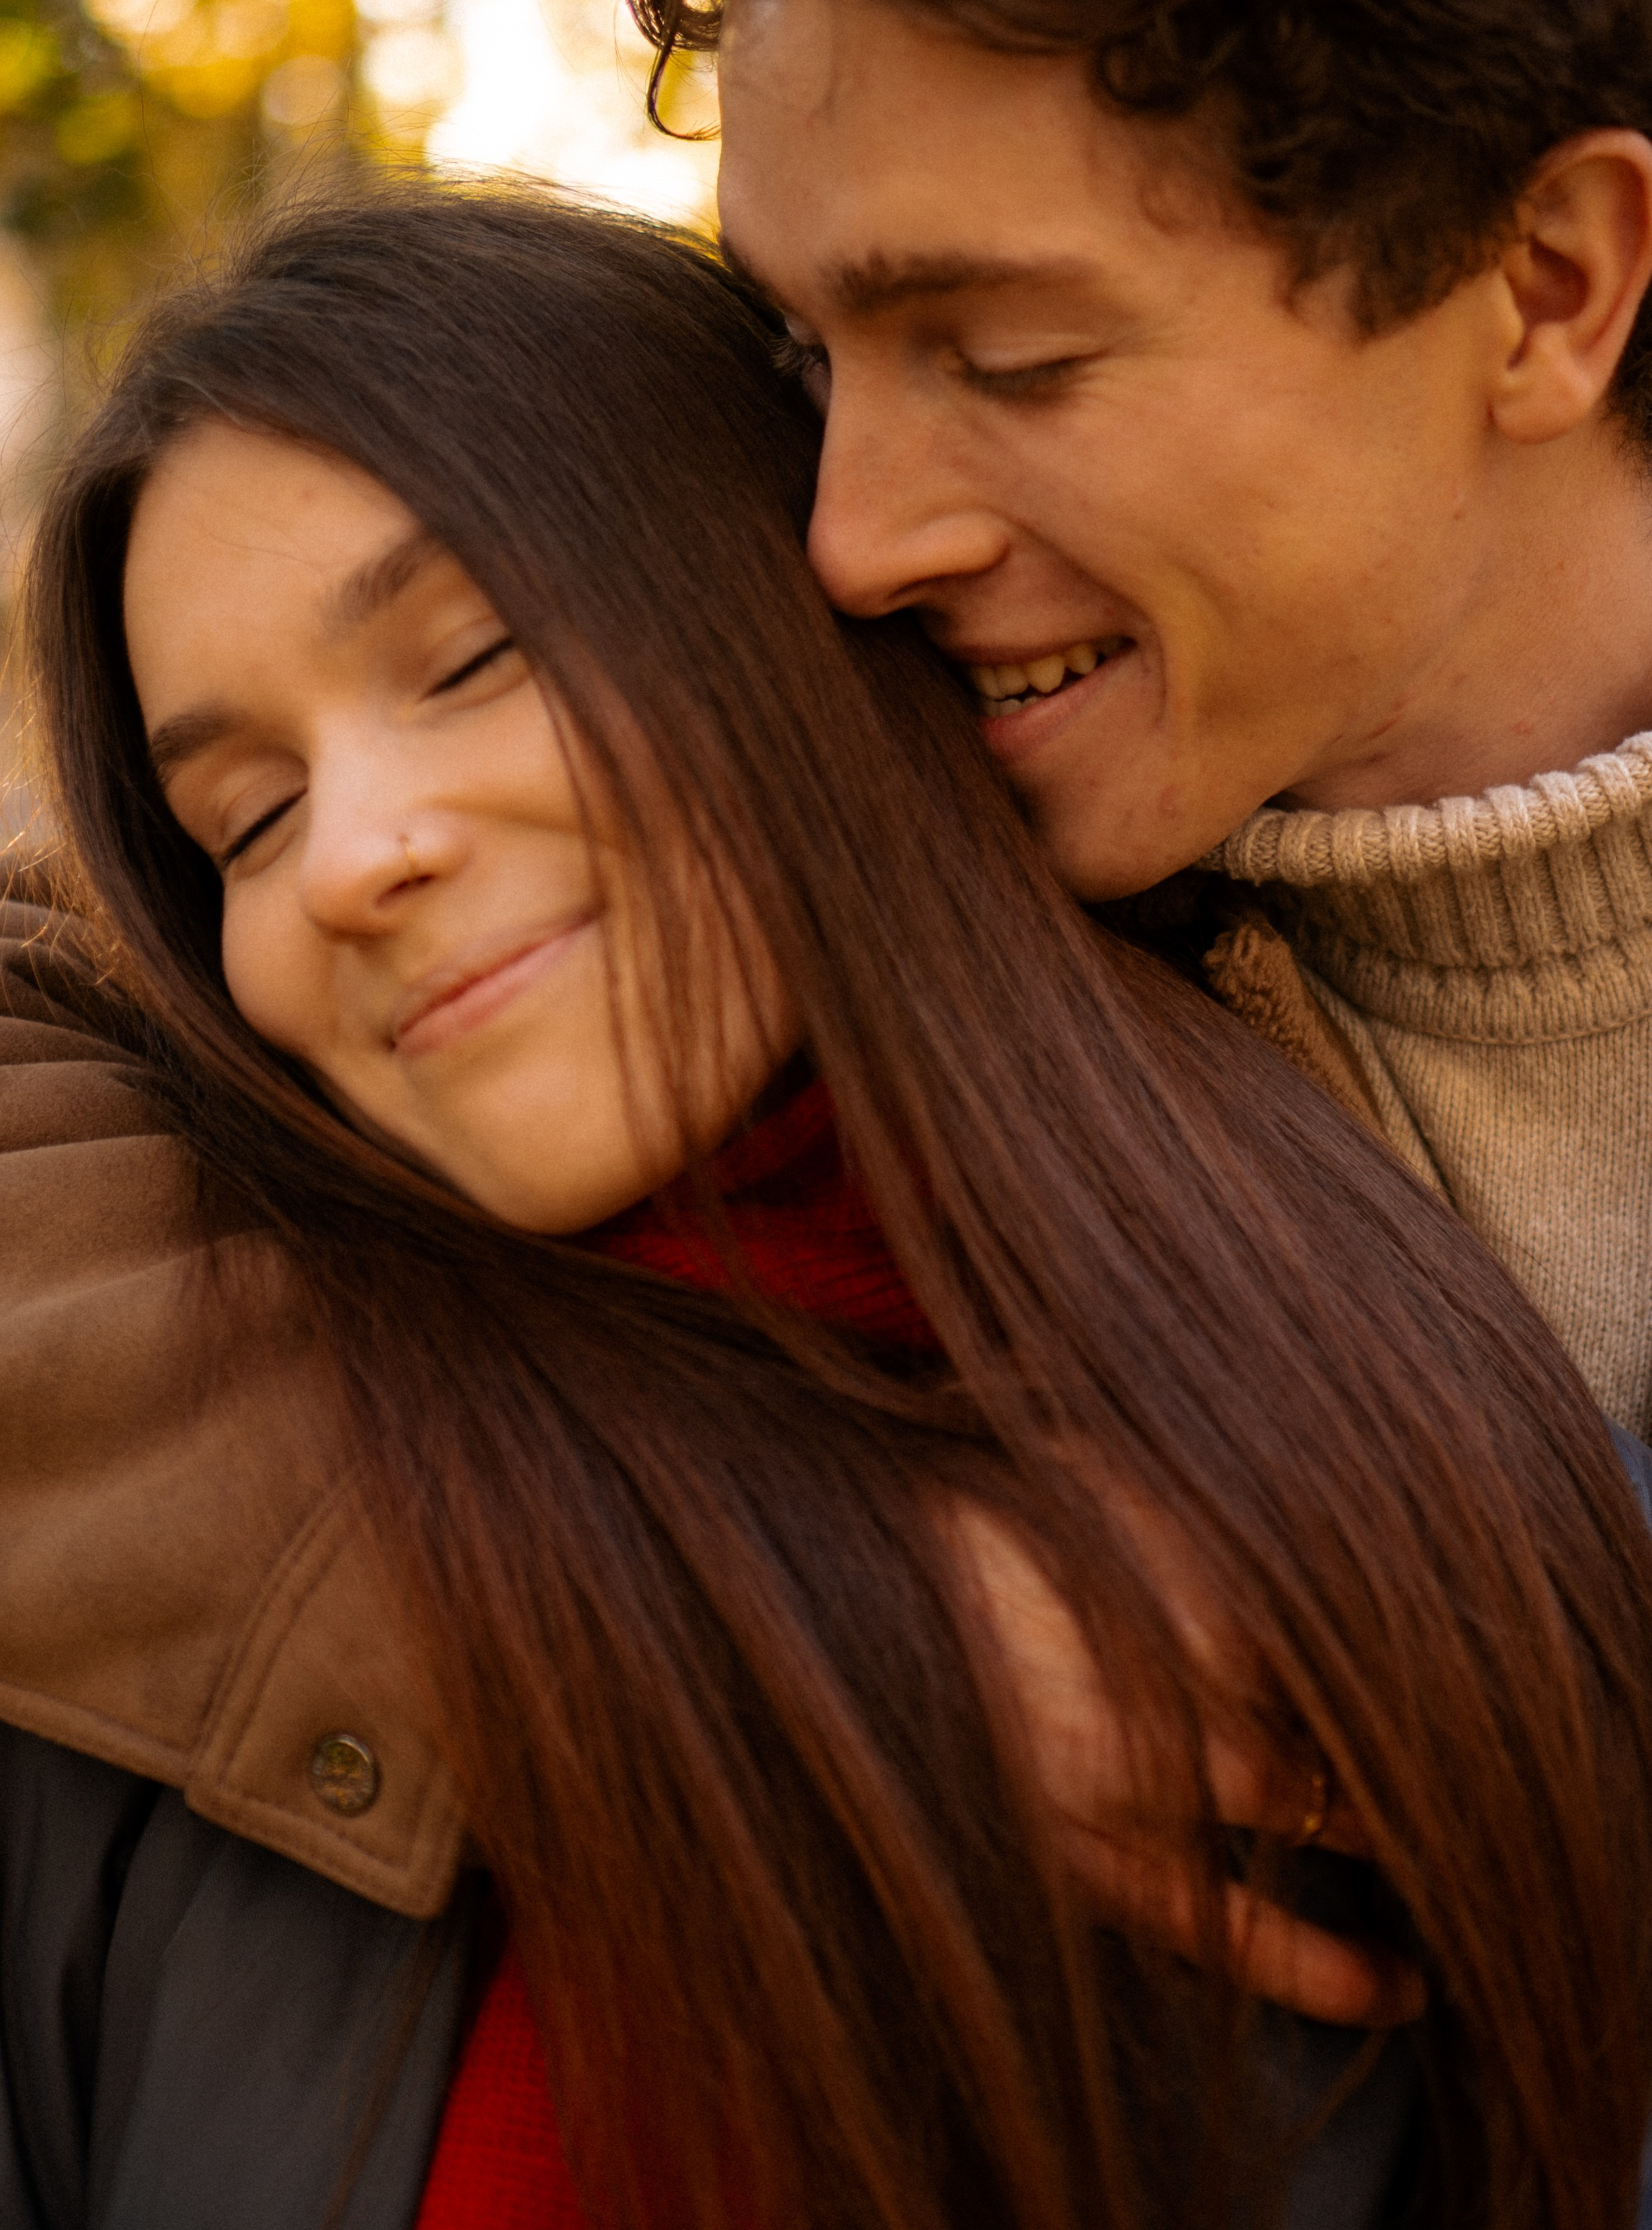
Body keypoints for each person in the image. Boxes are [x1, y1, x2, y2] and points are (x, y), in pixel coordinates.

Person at [5, 185, 1652, 2230]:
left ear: (795, 609)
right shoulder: (138, 1617)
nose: (349, 858)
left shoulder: (1383, 1449)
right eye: (238, 817)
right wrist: (769, 1594)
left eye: (474, 657)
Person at [595, 0, 1652, 1440]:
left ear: (1543, 287)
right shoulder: (829, 856)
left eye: (1011, 361)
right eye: (803, 350)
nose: (851, 546)